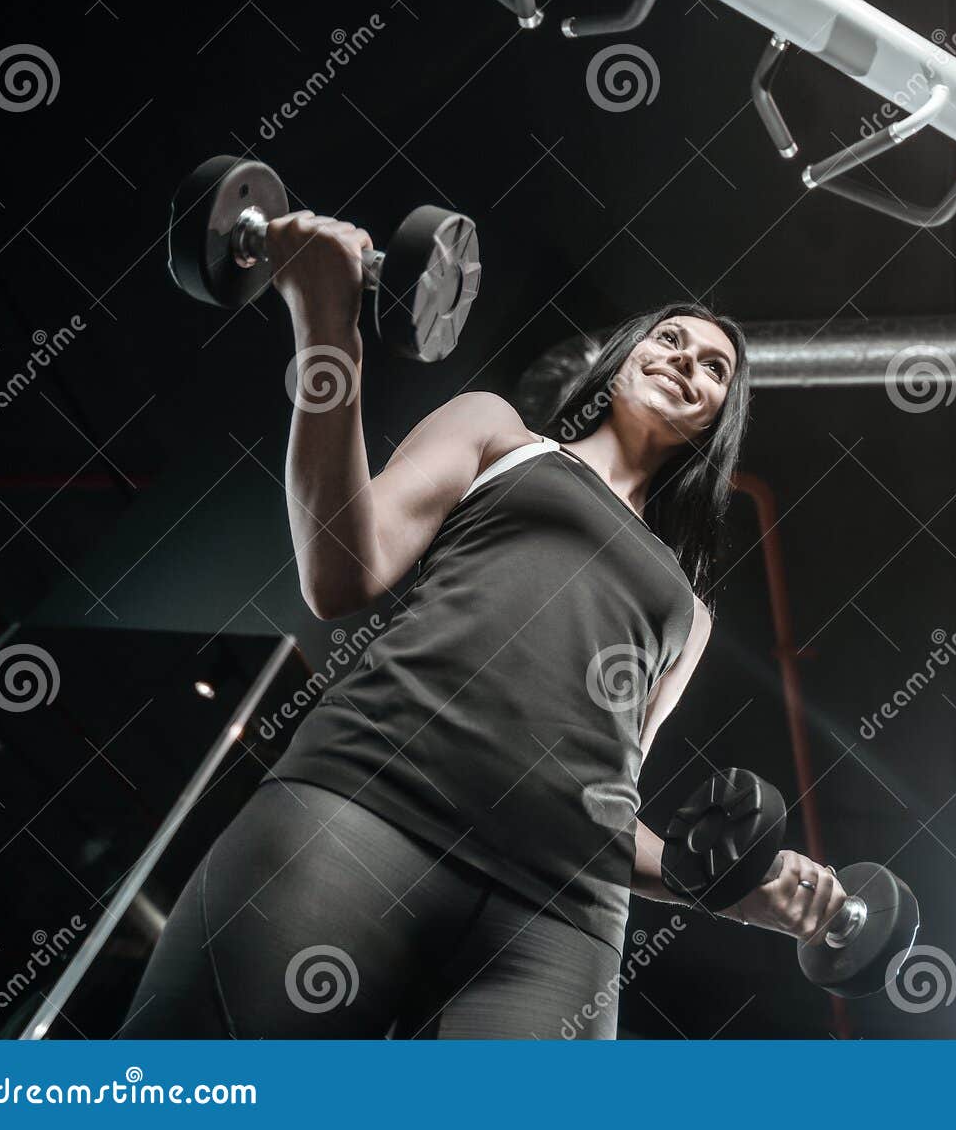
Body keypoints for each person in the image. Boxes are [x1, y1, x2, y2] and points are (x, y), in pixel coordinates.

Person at [122, 211, 845, 1038]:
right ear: (622, 361)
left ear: (720, 416)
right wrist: (328, 323)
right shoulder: (502, 433)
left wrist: (725, 884)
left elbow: (611, 800)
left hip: (564, 913)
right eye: (670, 340)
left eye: (714, 367)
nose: (687, 361)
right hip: (369, 807)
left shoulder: (692, 611)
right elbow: (339, 568)